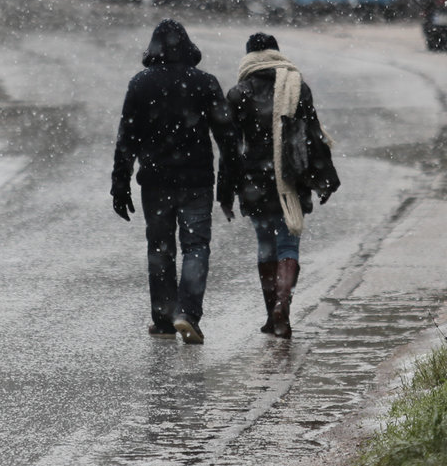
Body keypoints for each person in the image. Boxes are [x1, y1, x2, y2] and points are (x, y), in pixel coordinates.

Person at [111, 19, 233, 345]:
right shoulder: (205, 83)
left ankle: (164, 318)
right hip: (197, 181)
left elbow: (127, 140)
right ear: (188, 47)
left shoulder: (140, 85)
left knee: (160, 248)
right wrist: (228, 186)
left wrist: (119, 184)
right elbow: (227, 139)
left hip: (155, 182)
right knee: (196, 247)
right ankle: (187, 313)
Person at [219, 32, 339, 338]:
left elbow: (230, 150)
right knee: (288, 244)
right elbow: (312, 136)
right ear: (277, 53)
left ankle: (272, 310)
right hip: (290, 178)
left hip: (254, 181)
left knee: (265, 245)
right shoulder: (296, 87)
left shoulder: (238, 93)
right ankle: (282, 306)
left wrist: (226, 192)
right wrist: (325, 178)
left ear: (248, 56)